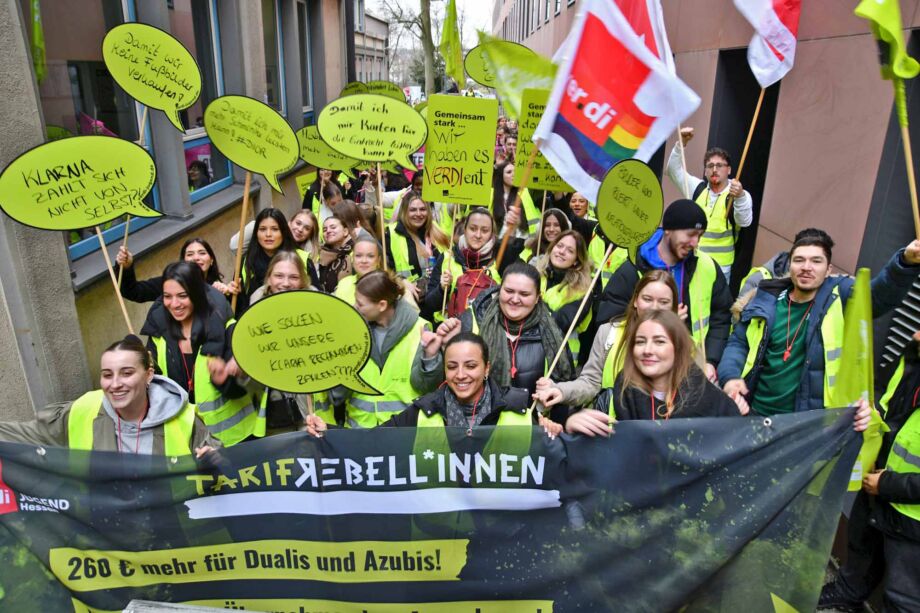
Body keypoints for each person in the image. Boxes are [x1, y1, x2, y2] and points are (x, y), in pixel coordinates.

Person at [720, 229, 920, 417]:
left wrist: (904, 262)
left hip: (806, 425)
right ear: (790, 265)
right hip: (753, 413)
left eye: (816, 261)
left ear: (828, 269)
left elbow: (877, 297)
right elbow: (738, 343)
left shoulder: (841, 296)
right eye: (799, 260)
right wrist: (729, 377)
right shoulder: (765, 299)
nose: (807, 267)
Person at [819, 330, 920, 612]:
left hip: (910, 512)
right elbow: (891, 410)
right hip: (881, 480)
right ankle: (848, 594)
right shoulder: (912, 354)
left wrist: (887, 484)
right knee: (862, 548)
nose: (914, 331)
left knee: (903, 596)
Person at [0, 335, 219, 455]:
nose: (115, 384)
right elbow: (26, 435)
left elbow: (222, 465)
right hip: (102, 533)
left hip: (170, 533)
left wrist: (214, 461)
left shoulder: (185, 419)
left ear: (149, 375)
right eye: (107, 374)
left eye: (127, 373)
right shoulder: (82, 410)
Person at [598, 199, 733, 381]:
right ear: (668, 229)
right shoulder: (631, 267)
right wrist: (667, 324)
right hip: (637, 376)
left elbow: (721, 317)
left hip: (691, 374)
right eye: (691, 234)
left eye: (699, 236)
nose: (695, 243)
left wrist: (710, 361)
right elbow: (610, 322)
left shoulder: (707, 267)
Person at [533, 270, 685, 427]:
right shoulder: (609, 332)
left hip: (661, 434)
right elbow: (591, 382)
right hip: (611, 431)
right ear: (635, 300)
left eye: (664, 302)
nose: (654, 307)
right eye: (647, 299)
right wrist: (561, 391)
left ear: (673, 307)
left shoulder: (685, 344)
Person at [305, 332, 538, 434]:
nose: (460, 375)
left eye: (470, 365)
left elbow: (549, 458)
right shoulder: (425, 409)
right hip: (437, 528)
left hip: (500, 527)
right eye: (452, 366)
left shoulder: (518, 407)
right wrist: (330, 431)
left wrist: (556, 430)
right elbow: (373, 439)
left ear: (486, 368)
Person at [439, 262, 576, 424]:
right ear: (499, 290)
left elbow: (564, 394)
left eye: (524, 294)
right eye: (509, 291)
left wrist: (554, 392)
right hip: (478, 429)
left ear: (538, 297)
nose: (515, 299)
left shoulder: (552, 333)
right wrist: (443, 349)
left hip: (531, 432)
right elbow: (449, 380)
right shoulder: (472, 320)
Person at [140, 262, 259, 446]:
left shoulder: (227, 328)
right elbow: (157, 388)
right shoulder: (158, 336)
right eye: (167, 297)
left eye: (182, 296)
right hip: (186, 441)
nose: (175, 304)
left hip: (234, 442)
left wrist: (227, 380)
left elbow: (248, 390)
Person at [592, 310, 750, 423]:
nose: (647, 350)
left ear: (678, 348)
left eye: (659, 341)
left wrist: (735, 411)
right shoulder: (624, 388)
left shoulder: (707, 395)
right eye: (640, 342)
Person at [334, 271, 442, 428]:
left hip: (402, 433)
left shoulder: (419, 329)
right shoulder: (353, 330)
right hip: (360, 433)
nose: (354, 308)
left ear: (382, 305)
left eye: (360, 304)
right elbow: (338, 395)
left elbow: (425, 387)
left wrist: (430, 358)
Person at [667, 127, 754, 282]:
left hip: (720, 268)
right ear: (705, 171)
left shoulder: (739, 194)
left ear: (729, 170)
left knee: (714, 305)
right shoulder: (698, 188)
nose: (714, 169)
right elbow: (673, 170)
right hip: (692, 261)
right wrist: (681, 144)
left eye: (720, 165)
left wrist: (739, 196)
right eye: (710, 166)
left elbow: (744, 222)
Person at [116, 238, 234, 320]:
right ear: (183, 261)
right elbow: (133, 292)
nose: (196, 258)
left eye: (202, 253)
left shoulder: (217, 286)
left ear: (211, 260)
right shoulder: (169, 283)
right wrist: (126, 267)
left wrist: (228, 295)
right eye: (190, 254)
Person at [424, 207, 505, 322]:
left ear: (492, 233)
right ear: (465, 229)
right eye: (473, 229)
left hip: (485, 333)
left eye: (485, 230)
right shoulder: (447, 257)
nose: (478, 235)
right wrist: (441, 289)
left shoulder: (501, 259)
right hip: (448, 330)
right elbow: (430, 305)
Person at [534, 230, 594, 363]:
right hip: (529, 353)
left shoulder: (582, 292)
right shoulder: (535, 275)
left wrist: (533, 302)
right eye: (559, 246)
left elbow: (558, 322)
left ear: (576, 262)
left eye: (570, 251)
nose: (561, 252)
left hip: (560, 361)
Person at [237, 208, 309, 314]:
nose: (268, 234)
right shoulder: (246, 262)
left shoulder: (302, 257)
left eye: (275, 229)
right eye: (262, 229)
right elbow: (241, 305)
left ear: (283, 232)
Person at [385, 192, 449, 302]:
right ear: (404, 211)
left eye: (423, 209)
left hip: (437, 301)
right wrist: (401, 281)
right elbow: (384, 270)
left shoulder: (437, 231)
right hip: (408, 302)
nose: (418, 214)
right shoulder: (391, 233)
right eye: (413, 210)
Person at [335, 235, 418, 309]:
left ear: (378, 260)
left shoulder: (393, 285)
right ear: (352, 259)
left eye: (370, 256)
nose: (364, 261)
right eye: (358, 256)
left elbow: (413, 319)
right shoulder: (343, 284)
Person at [491, 161, 540, 238]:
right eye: (509, 172)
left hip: (523, 242)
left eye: (515, 172)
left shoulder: (525, 192)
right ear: (501, 175)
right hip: (498, 243)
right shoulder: (492, 195)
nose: (513, 174)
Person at [317, 214, 354, 293]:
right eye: (324, 230)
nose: (328, 231)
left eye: (333, 227)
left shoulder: (356, 252)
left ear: (345, 231)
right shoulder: (320, 253)